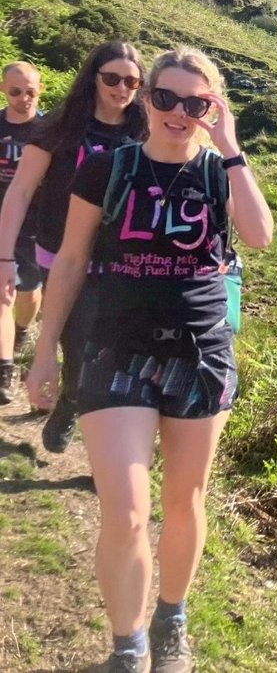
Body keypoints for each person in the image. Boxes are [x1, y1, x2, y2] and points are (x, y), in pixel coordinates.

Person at [26, 46, 273, 673]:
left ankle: (172, 619)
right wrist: (45, 354)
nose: (178, 112)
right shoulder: (107, 168)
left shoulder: (220, 173)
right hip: (116, 349)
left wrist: (231, 145)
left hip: (201, 353)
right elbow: (74, 261)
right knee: (128, 509)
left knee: (185, 502)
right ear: (146, 99)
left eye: (196, 103)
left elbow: (259, 235)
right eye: (165, 98)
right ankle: (129, 646)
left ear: (210, 108)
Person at [0, 41, 147, 453]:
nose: (121, 88)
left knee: (119, 355)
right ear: (93, 78)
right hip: (62, 259)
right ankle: (69, 402)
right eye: (112, 78)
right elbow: (21, 191)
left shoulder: (145, 131)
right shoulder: (59, 128)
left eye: (132, 81)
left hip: (125, 263)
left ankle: (107, 440)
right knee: (79, 347)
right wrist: (4, 256)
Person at [0, 62, 44, 402]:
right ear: (4, 90)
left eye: (30, 91)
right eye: (16, 91)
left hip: (36, 225)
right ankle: (5, 368)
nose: (23, 97)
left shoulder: (50, 131)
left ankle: (22, 331)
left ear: (40, 90)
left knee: (29, 289)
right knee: (3, 293)